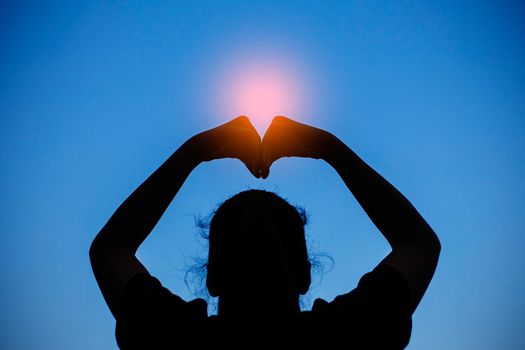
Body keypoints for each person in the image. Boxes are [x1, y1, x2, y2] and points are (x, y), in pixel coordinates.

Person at [89, 116, 441, 349]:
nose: (255, 233)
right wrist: (330, 150)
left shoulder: (176, 339)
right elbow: (418, 243)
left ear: (212, 275)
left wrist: (193, 153)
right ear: (304, 272)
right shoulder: (344, 336)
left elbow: (110, 249)